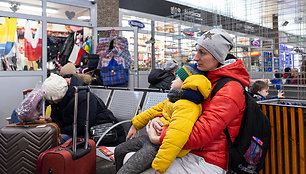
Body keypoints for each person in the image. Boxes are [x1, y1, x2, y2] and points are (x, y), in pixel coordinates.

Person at [144, 28, 250, 174]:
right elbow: (176, 107)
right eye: (197, 51)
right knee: (129, 158)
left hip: (209, 160)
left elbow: (202, 133)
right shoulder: (204, 77)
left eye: (203, 53)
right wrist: (159, 120)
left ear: (218, 57)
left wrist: (161, 136)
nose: (195, 58)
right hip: (187, 150)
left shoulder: (230, 89)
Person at [114, 64, 211, 174]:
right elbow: (154, 110)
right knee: (119, 150)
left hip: (160, 147)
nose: (172, 81)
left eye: (176, 78)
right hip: (152, 140)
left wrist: (160, 167)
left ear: (186, 83)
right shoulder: (174, 99)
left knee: (127, 170)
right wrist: (135, 124)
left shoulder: (187, 106)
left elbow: (175, 138)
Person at [40, 73, 125, 143]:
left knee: (53, 140)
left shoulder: (83, 97)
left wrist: (58, 128)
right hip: (82, 131)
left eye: (53, 100)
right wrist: (52, 121)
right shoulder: (62, 95)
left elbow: (82, 127)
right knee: (48, 137)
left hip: (101, 134)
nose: (52, 103)